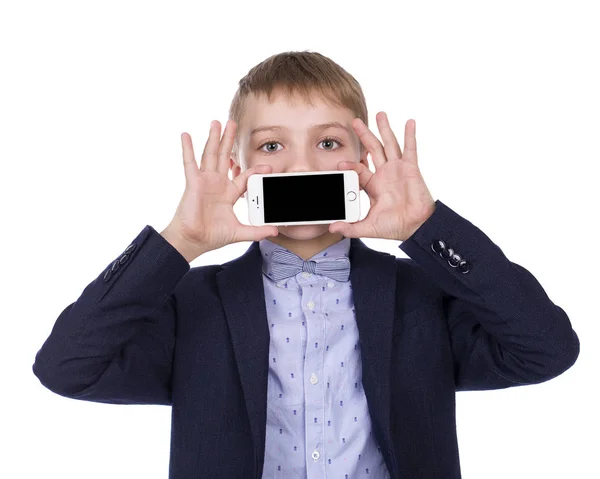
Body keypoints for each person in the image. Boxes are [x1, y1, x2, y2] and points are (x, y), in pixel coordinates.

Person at [32, 50, 580, 479]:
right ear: (236, 165)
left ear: (365, 159)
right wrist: (180, 241)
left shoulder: (421, 294)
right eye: (271, 147)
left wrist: (427, 227)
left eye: (328, 142)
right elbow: (66, 367)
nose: (299, 165)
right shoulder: (191, 303)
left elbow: (548, 350)